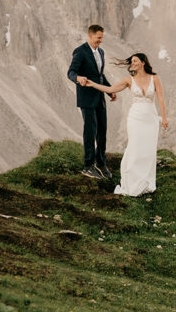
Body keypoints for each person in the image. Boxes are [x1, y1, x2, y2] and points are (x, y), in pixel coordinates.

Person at [80, 52, 168, 196]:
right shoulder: (129, 80)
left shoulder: (155, 78)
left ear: (143, 62)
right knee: (135, 146)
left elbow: (161, 99)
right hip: (135, 118)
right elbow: (110, 89)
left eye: (135, 61)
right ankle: (131, 183)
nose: (133, 63)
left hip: (151, 119)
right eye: (132, 61)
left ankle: (145, 182)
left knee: (148, 149)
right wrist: (91, 83)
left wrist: (164, 118)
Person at [67, 24, 115, 179]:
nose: (101, 41)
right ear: (90, 36)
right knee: (90, 131)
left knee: (102, 131)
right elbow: (71, 72)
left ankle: (101, 163)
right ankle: (88, 166)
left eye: (102, 38)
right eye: (98, 37)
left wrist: (110, 90)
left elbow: (99, 75)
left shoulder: (101, 52)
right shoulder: (80, 52)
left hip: (100, 98)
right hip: (86, 98)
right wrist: (78, 78)